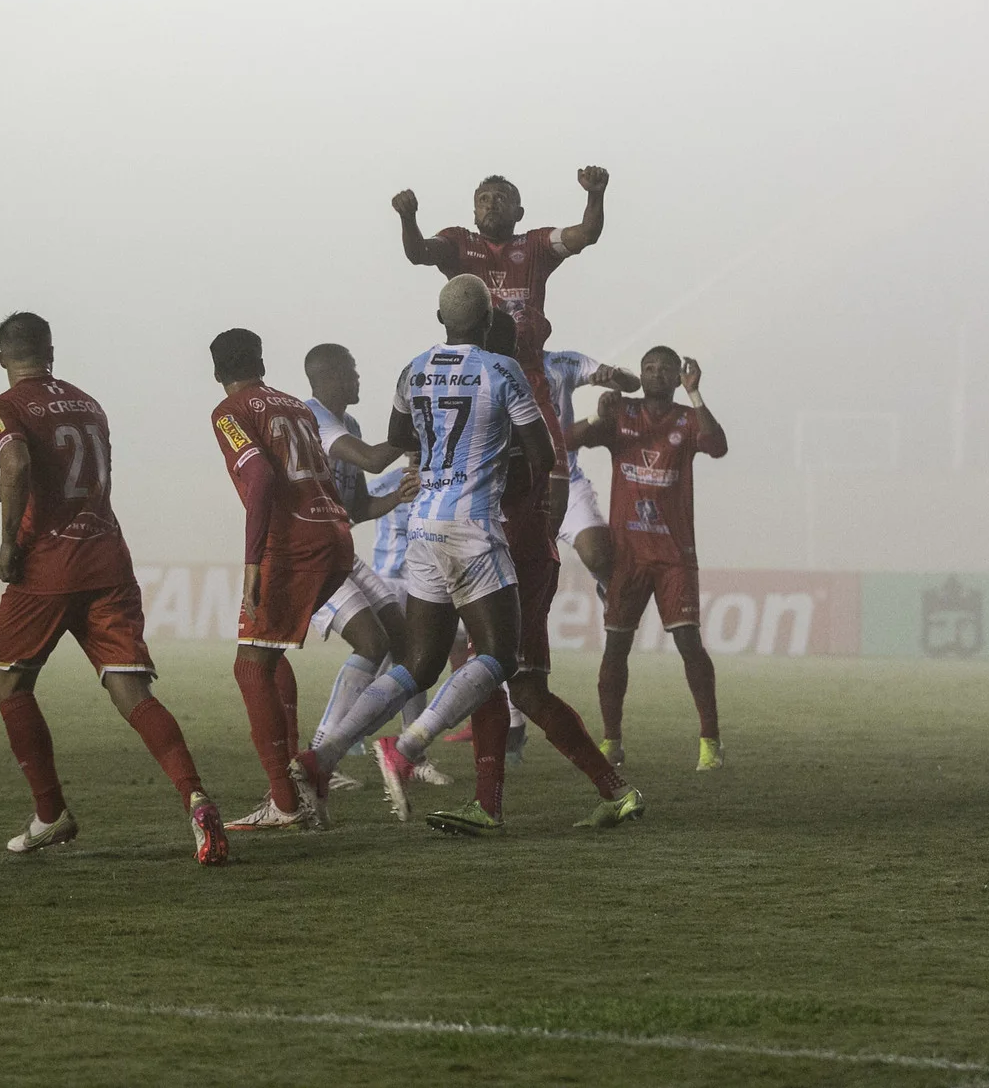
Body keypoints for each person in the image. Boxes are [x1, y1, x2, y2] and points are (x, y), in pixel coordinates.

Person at [291, 275, 555, 826]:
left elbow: (402, 440)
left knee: (419, 660)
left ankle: (323, 756)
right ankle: (407, 747)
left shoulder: (411, 370)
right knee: (500, 655)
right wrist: (507, 487)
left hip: (424, 527)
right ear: (485, 323)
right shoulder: (501, 369)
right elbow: (542, 455)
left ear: (441, 320)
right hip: (473, 527)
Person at [0, 312, 227, 864]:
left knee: (10, 685)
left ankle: (50, 814)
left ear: (1, 359)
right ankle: (197, 798)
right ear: (52, 351)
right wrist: (8, 488)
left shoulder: (0, 408)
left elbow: (18, 462)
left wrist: (8, 543)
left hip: (46, 567)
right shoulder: (89, 404)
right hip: (107, 559)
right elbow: (70, 474)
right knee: (133, 692)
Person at [425, 312, 645, 836]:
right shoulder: (524, 398)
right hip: (527, 553)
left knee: (488, 675)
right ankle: (615, 791)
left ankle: (487, 806)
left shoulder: (504, 400)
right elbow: (555, 477)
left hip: (510, 557)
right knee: (524, 689)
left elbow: (549, 478)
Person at [392, 167, 610, 534]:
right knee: (459, 473)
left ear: (519, 212)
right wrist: (409, 218)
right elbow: (419, 253)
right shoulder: (458, 243)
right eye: (483, 200)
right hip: (469, 380)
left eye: (501, 198)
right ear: (473, 213)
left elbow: (586, 234)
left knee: (552, 477)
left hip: (527, 376)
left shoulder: (536, 246)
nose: (491, 204)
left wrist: (596, 194)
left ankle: (542, 549)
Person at [208, 328, 355, 830]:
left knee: (249, 665)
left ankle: (285, 801)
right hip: (335, 534)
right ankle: (296, 770)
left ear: (217, 371)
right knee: (268, 653)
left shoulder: (230, 411)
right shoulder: (295, 404)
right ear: (260, 361)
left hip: (294, 544)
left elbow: (262, 478)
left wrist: (253, 562)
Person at [568, 346, 729, 772]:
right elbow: (566, 441)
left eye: (665, 370)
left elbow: (718, 446)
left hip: (675, 557)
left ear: (679, 377)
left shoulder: (687, 419)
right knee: (616, 648)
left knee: (689, 644)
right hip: (628, 558)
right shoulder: (621, 412)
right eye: (649, 368)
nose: (656, 375)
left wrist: (696, 396)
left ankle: (710, 739)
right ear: (641, 373)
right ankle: (612, 741)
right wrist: (599, 418)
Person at [298, 343, 448, 791]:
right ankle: (322, 751)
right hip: (311, 555)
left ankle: (411, 753)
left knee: (407, 644)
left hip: (341, 549)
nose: (359, 378)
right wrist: (421, 427)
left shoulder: (351, 424)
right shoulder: (313, 418)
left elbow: (358, 506)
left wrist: (398, 497)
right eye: (353, 370)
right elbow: (372, 459)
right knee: (370, 642)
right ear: (330, 377)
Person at [540, 347, 640, 592]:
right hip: (513, 487)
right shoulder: (490, 365)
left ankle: (613, 607)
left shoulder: (561, 361)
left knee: (601, 556)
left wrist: (613, 374)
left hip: (566, 481)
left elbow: (631, 384)